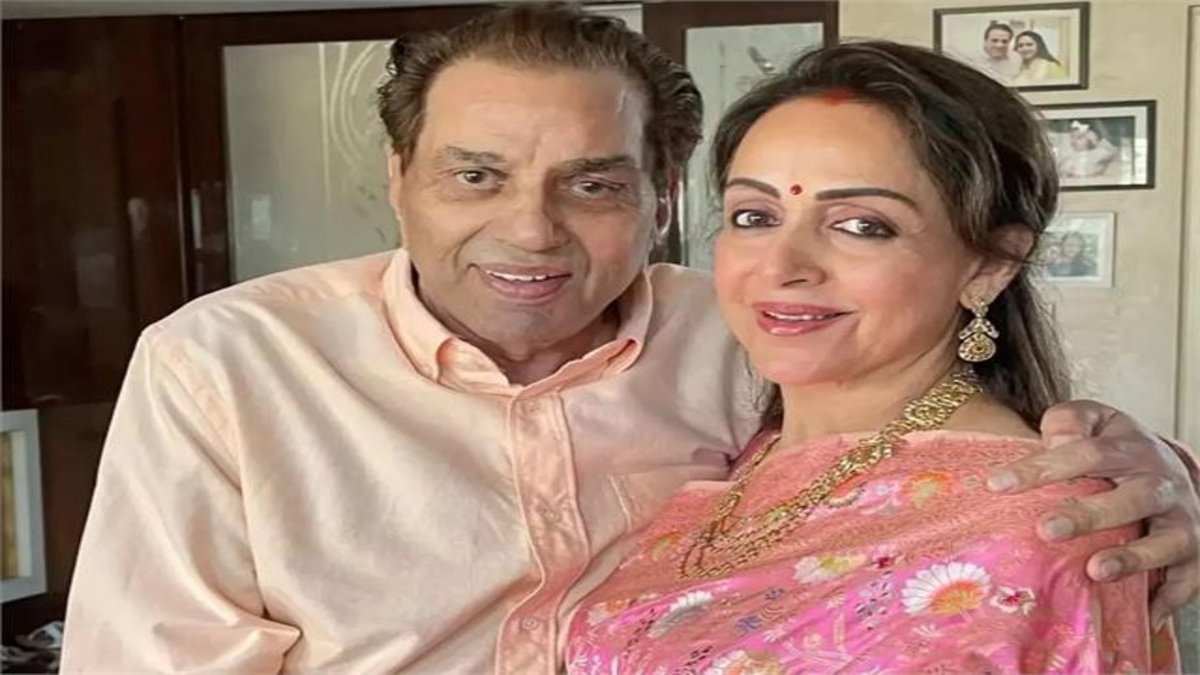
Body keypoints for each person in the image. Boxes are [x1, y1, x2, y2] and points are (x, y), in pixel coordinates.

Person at [60, 5, 1199, 673]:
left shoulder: (742, 331)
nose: (530, 230)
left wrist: (1160, 478)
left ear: (659, 201)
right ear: (400, 178)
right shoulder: (228, 366)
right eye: (476, 176)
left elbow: (959, 481)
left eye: (594, 183)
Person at [566, 41, 1180, 673]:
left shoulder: (1046, 524)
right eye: (754, 216)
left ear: (991, 265)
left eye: (862, 225)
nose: (781, 266)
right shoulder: (739, 444)